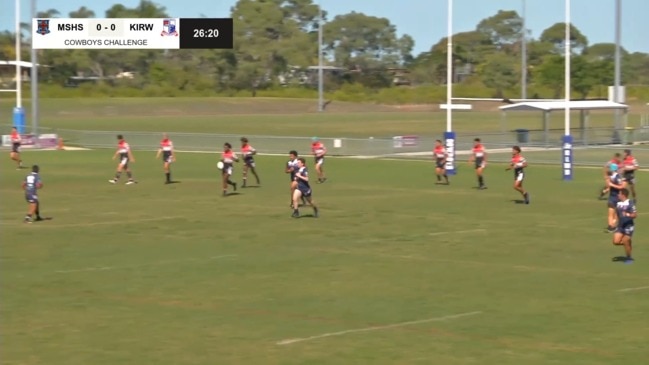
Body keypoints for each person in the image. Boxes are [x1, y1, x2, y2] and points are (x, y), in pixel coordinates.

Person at [611, 188, 637, 264]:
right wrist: (614, 220)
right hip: (620, 226)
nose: (618, 195)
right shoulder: (618, 203)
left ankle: (629, 258)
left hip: (628, 226)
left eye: (619, 194)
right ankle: (628, 244)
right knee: (615, 242)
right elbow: (617, 213)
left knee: (625, 240)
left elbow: (635, 215)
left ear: (623, 195)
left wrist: (627, 214)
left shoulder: (630, 203)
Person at [605, 163, 627, 233]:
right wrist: (607, 189)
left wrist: (612, 185)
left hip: (618, 197)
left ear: (612, 169)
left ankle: (613, 226)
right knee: (610, 213)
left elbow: (621, 187)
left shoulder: (618, 177)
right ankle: (610, 227)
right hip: (611, 197)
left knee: (617, 214)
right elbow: (609, 186)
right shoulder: (610, 177)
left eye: (610, 168)